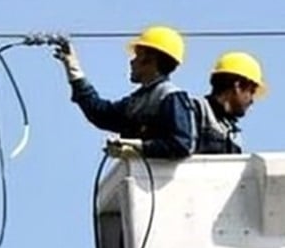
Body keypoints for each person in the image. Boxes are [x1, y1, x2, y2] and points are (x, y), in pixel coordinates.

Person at [53, 25, 196, 160]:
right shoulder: (137, 101)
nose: (132, 62)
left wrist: (138, 148)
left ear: (150, 60)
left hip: (159, 176)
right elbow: (101, 114)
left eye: (137, 56)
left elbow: (181, 145)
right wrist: (73, 69)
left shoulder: (170, 96)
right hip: (142, 174)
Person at [188, 51, 266, 154]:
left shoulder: (233, 133)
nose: (252, 101)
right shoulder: (194, 111)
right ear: (237, 86)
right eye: (251, 91)